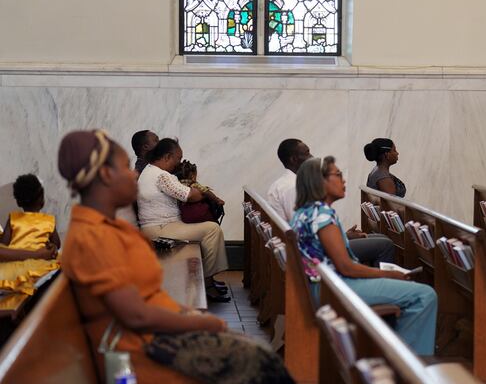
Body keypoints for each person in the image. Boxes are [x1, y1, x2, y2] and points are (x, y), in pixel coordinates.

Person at [57, 129, 292, 384]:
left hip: (155, 334)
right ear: (105, 175)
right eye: (126, 167)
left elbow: (147, 299)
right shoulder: (93, 237)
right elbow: (137, 316)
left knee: (256, 355)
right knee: (260, 364)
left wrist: (193, 317)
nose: (134, 175)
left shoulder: (110, 227)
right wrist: (203, 324)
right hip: (142, 350)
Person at [291, 156, 437, 355]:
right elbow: (346, 267)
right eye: (338, 175)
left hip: (324, 285)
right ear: (320, 181)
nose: (344, 180)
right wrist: (388, 275)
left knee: (413, 291)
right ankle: (408, 364)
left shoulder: (305, 212)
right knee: (425, 295)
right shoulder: (323, 214)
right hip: (334, 289)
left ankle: (394, 352)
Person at [268, 139, 394, 266]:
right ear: (293, 159)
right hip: (313, 253)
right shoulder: (293, 187)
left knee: (379, 238)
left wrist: (343, 235)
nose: (312, 157)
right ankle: (380, 284)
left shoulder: (286, 183)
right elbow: (305, 233)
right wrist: (343, 238)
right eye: (307, 153)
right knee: (385, 245)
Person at [137, 138, 230, 302]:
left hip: (159, 226)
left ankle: (207, 282)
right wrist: (201, 191)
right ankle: (207, 283)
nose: (178, 164)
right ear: (167, 157)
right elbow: (190, 196)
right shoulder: (161, 176)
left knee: (206, 232)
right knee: (212, 229)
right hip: (161, 229)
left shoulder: (150, 171)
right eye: (177, 159)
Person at [0, 174, 60, 295]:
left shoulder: (13, 218)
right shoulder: (48, 220)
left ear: (18, 202)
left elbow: (4, 244)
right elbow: (57, 244)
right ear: (42, 200)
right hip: (38, 262)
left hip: (13, 267)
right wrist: (52, 246)